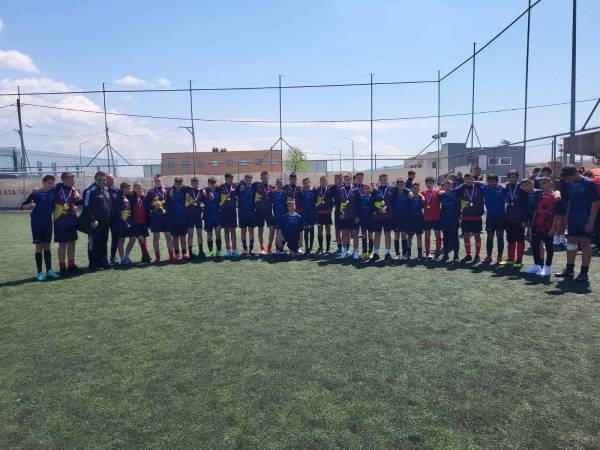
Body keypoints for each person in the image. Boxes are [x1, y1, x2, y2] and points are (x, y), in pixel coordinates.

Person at [555, 165, 600, 282]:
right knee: (571, 242)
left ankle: (584, 273)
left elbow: (595, 203)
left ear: (573, 174)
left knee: (585, 243)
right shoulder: (570, 184)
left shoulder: (589, 183)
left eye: (566, 178)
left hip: (586, 218)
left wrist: (591, 222)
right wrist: (566, 216)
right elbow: (570, 201)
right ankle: (569, 270)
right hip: (573, 218)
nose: (566, 180)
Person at [21, 174, 60, 281]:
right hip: (37, 222)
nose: (51, 185)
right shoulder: (35, 193)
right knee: (39, 247)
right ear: (43, 182)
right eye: (49, 183)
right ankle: (39, 272)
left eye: (52, 183)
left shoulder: (53, 192)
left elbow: (63, 186)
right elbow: (23, 205)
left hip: (48, 222)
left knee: (47, 246)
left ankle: (49, 271)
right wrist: (29, 206)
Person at [522, 176, 561, 277]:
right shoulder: (539, 195)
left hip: (548, 226)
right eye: (541, 184)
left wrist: (553, 228)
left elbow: (557, 214)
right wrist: (530, 226)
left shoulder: (555, 196)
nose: (542, 186)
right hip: (536, 225)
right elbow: (534, 211)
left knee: (549, 247)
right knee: (535, 246)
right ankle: (537, 266)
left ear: (550, 183)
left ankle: (547, 268)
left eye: (545, 183)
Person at [81, 171, 113, 271]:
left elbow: (109, 205)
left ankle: (103, 262)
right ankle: (93, 264)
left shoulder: (106, 190)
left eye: (104, 180)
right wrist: (92, 220)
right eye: (99, 180)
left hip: (105, 222)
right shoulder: (89, 191)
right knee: (93, 243)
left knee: (103, 242)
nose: (102, 182)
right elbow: (86, 207)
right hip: (94, 223)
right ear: (95, 180)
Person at [53, 171, 83, 276]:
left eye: (74, 179)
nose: (73, 181)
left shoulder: (74, 190)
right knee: (62, 244)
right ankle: (62, 267)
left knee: (72, 243)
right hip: (60, 221)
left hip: (72, 220)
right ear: (64, 180)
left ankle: (71, 265)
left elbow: (80, 203)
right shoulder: (57, 189)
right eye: (71, 179)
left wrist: (79, 198)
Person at [499, 170, 528, 269]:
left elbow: (526, 206)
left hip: (519, 219)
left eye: (514, 177)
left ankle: (519, 261)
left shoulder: (522, 189)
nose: (512, 179)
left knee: (520, 240)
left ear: (517, 178)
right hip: (509, 219)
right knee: (510, 239)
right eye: (510, 177)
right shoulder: (507, 187)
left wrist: (524, 220)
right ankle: (511, 259)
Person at [145, 174, 175, 264]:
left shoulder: (168, 190)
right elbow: (147, 205)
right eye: (156, 181)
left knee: (168, 236)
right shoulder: (151, 192)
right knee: (156, 237)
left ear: (162, 180)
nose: (158, 182)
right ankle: (157, 257)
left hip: (166, 217)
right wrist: (154, 206)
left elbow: (171, 202)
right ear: (154, 181)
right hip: (155, 218)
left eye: (159, 180)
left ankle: (171, 256)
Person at [478, 174, 507, 264]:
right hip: (490, 216)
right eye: (490, 181)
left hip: (500, 216)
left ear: (497, 181)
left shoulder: (502, 189)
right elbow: (477, 182)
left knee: (500, 236)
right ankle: (489, 256)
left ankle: (499, 257)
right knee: (490, 236)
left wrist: (504, 184)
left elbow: (509, 185)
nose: (492, 183)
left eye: (493, 181)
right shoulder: (485, 188)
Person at [457, 173, 484, 263]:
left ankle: (477, 255)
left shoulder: (479, 187)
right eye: (466, 179)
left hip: (476, 216)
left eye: (470, 179)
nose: (468, 181)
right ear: (464, 180)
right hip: (465, 216)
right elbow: (455, 192)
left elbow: (487, 186)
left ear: (473, 179)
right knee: (466, 236)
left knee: (477, 236)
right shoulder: (461, 189)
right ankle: (468, 255)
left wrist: (479, 182)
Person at [369, 173, 395, 262]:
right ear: (379, 180)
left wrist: (409, 191)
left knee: (388, 234)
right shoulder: (375, 190)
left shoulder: (391, 189)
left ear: (387, 180)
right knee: (377, 234)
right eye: (382, 179)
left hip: (388, 216)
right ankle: (376, 253)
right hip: (378, 216)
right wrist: (377, 210)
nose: (383, 181)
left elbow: (393, 201)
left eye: (385, 179)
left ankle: (387, 253)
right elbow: (371, 202)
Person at [124, 181, 151, 264]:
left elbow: (147, 209)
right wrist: (127, 221)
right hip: (134, 223)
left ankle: (145, 257)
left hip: (143, 223)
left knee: (143, 240)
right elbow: (126, 210)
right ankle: (146, 257)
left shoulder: (143, 197)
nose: (140, 190)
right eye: (138, 188)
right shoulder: (130, 197)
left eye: (141, 188)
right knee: (141, 239)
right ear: (134, 189)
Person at [336, 174, 360, 259]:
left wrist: (358, 216)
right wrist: (340, 215)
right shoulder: (340, 190)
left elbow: (358, 204)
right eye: (346, 179)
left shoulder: (356, 190)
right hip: (344, 217)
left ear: (351, 180)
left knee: (355, 235)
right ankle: (345, 251)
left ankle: (356, 252)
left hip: (354, 217)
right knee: (344, 234)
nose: (347, 181)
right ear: (344, 181)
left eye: (349, 179)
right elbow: (337, 204)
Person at [167, 177, 190, 262]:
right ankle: (177, 254)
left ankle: (184, 253)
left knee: (183, 236)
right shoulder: (170, 191)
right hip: (173, 218)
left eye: (179, 183)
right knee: (175, 237)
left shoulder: (184, 190)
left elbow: (191, 189)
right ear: (174, 183)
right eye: (176, 183)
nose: (178, 185)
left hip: (183, 217)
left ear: (181, 183)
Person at [253, 171, 275, 255]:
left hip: (269, 211)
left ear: (268, 178)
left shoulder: (272, 187)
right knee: (260, 229)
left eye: (266, 177)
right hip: (259, 211)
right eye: (263, 177)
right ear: (261, 178)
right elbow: (243, 182)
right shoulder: (256, 185)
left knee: (272, 229)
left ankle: (269, 248)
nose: (265, 179)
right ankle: (262, 248)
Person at [439, 179, 460, 262]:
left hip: (454, 219)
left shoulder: (456, 193)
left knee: (455, 238)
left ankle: (456, 256)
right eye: (445, 185)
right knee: (445, 238)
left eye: (449, 185)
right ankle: (445, 255)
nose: (447, 187)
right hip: (444, 219)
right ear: (443, 186)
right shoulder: (441, 195)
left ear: (452, 186)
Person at [422, 176, 442, 260]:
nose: (429, 184)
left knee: (438, 236)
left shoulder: (438, 191)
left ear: (433, 183)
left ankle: (437, 252)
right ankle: (427, 253)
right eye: (427, 183)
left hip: (437, 218)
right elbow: (416, 193)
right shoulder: (423, 192)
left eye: (430, 183)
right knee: (427, 236)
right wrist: (419, 195)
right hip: (427, 218)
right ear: (425, 183)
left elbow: (443, 191)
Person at [219, 173, 239, 257]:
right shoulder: (220, 187)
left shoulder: (235, 186)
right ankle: (228, 249)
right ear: (226, 179)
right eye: (230, 179)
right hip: (224, 212)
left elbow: (242, 183)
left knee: (233, 231)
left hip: (233, 212)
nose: (231, 180)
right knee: (226, 231)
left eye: (232, 179)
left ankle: (235, 249)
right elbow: (210, 189)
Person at [185, 176, 205, 259]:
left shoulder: (201, 191)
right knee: (190, 234)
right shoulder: (188, 190)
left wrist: (204, 191)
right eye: (194, 183)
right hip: (189, 216)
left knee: (199, 234)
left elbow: (204, 200)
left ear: (198, 183)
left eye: (197, 183)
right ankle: (190, 253)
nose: (195, 184)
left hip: (198, 216)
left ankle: (201, 251)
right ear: (191, 183)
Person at [114, 181, 133, 265]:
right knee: (121, 240)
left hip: (127, 222)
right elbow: (121, 212)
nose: (130, 190)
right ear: (123, 189)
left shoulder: (126, 196)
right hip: (120, 223)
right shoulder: (119, 198)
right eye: (129, 188)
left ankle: (126, 256)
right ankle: (122, 259)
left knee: (133, 238)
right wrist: (125, 222)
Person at [237, 174, 256, 255]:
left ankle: (251, 248)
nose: (248, 181)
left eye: (250, 180)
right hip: (242, 214)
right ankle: (245, 248)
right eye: (247, 180)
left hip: (251, 213)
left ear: (251, 180)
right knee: (243, 231)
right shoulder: (239, 187)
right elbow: (233, 185)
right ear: (244, 180)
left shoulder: (254, 188)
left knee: (251, 231)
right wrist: (240, 184)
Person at [203, 177, 222, 257]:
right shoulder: (204, 192)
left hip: (217, 216)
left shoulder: (219, 191)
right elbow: (200, 189)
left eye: (214, 183)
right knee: (209, 235)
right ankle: (211, 252)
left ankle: (218, 251)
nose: (212, 185)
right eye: (211, 183)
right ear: (208, 184)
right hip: (208, 216)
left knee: (218, 233)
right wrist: (207, 191)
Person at [406, 182, 425, 259]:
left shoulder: (421, 198)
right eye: (414, 188)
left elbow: (424, 206)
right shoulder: (409, 196)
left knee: (419, 236)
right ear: (412, 189)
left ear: (419, 189)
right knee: (410, 236)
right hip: (410, 219)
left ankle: (420, 254)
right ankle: (408, 254)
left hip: (419, 219)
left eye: (417, 188)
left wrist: (422, 196)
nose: (416, 189)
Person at [106, 173, 121, 266]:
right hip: (104, 218)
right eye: (110, 179)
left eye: (112, 179)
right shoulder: (101, 189)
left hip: (114, 218)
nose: (112, 180)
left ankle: (113, 256)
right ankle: (103, 258)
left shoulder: (117, 190)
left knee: (115, 237)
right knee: (103, 238)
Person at [315, 176, 333, 254]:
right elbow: (314, 200)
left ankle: (328, 248)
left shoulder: (330, 190)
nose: (323, 183)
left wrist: (331, 207)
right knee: (320, 231)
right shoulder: (317, 190)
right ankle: (321, 248)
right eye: (321, 181)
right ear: (320, 182)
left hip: (327, 213)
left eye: (324, 181)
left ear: (326, 182)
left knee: (328, 230)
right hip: (319, 213)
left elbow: (333, 200)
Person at [392, 178, 410, 260]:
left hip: (405, 217)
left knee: (404, 236)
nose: (401, 186)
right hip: (396, 218)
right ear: (397, 185)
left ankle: (404, 254)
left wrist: (409, 191)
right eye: (399, 185)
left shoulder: (407, 192)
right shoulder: (393, 192)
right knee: (396, 235)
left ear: (404, 185)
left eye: (402, 184)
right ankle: (397, 254)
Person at [269, 178, 288, 254]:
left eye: (281, 183)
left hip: (284, 216)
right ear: (276, 184)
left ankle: (281, 248)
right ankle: (278, 249)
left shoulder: (285, 193)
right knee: (278, 233)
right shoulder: (273, 193)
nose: (280, 185)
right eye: (278, 183)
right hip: (276, 216)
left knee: (284, 233)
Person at [301, 177, 317, 254]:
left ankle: (311, 248)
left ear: (310, 183)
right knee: (306, 230)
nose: (306, 184)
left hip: (312, 213)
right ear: (303, 184)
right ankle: (306, 248)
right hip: (305, 214)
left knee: (312, 230)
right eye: (305, 183)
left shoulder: (314, 191)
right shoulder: (302, 192)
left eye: (307, 182)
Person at [358, 184, 374, 259]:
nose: (366, 190)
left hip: (371, 220)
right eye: (365, 188)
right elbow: (358, 209)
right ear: (362, 190)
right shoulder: (361, 198)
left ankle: (370, 252)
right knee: (364, 235)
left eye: (368, 188)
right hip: (363, 220)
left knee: (370, 235)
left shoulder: (372, 197)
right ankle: (364, 252)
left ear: (370, 189)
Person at [331, 174, 344, 255]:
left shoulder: (346, 187)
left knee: (345, 231)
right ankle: (339, 247)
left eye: (338, 179)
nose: (337, 180)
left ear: (341, 179)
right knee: (337, 230)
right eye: (335, 179)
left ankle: (346, 248)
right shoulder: (332, 188)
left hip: (346, 212)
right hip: (337, 212)